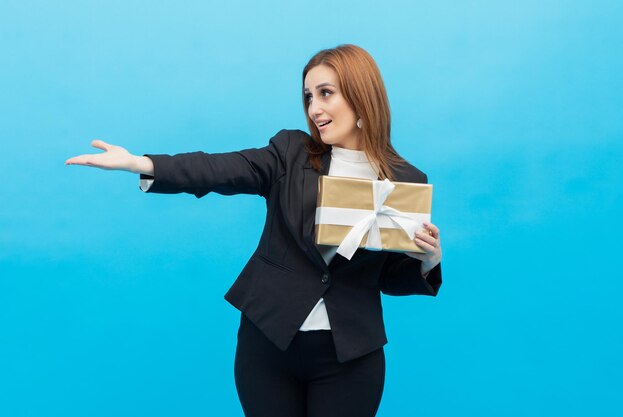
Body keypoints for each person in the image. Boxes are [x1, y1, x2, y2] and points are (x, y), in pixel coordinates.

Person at [66, 44, 442, 417]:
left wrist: (427, 260)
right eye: (309, 97)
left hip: (351, 355)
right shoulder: (290, 153)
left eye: (326, 93)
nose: (315, 108)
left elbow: (387, 277)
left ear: (362, 95)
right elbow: (219, 168)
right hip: (268, 346)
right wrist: (141, 162)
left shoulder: (405, 182)